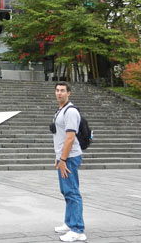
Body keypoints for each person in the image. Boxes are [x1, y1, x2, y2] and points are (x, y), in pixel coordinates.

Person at [52, 82, 86, 242]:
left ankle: (78, 229)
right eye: (57, 90)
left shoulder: (70, 111)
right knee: (66, 191)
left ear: (69, 93)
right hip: (64, 156)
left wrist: (63, 159)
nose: (59, 93)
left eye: (63, 91)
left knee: (72, 192)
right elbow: (59, 136)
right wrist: (58, 156)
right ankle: (69, 222)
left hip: (70, 157)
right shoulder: (61, 110)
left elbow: (70, 138)